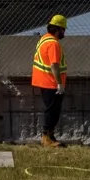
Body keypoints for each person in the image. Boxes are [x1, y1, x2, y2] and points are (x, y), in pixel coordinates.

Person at [31, 14, 68, 148]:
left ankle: (50, 136)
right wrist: (59, 83)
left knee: (52, 109)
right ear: (58, 29)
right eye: (63, 29)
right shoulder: (53, 43)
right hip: (51, 82)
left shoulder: (43, 40)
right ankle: (46, 137)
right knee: (52, 110)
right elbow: (54, 65)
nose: (64, 32)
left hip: (44, 80)